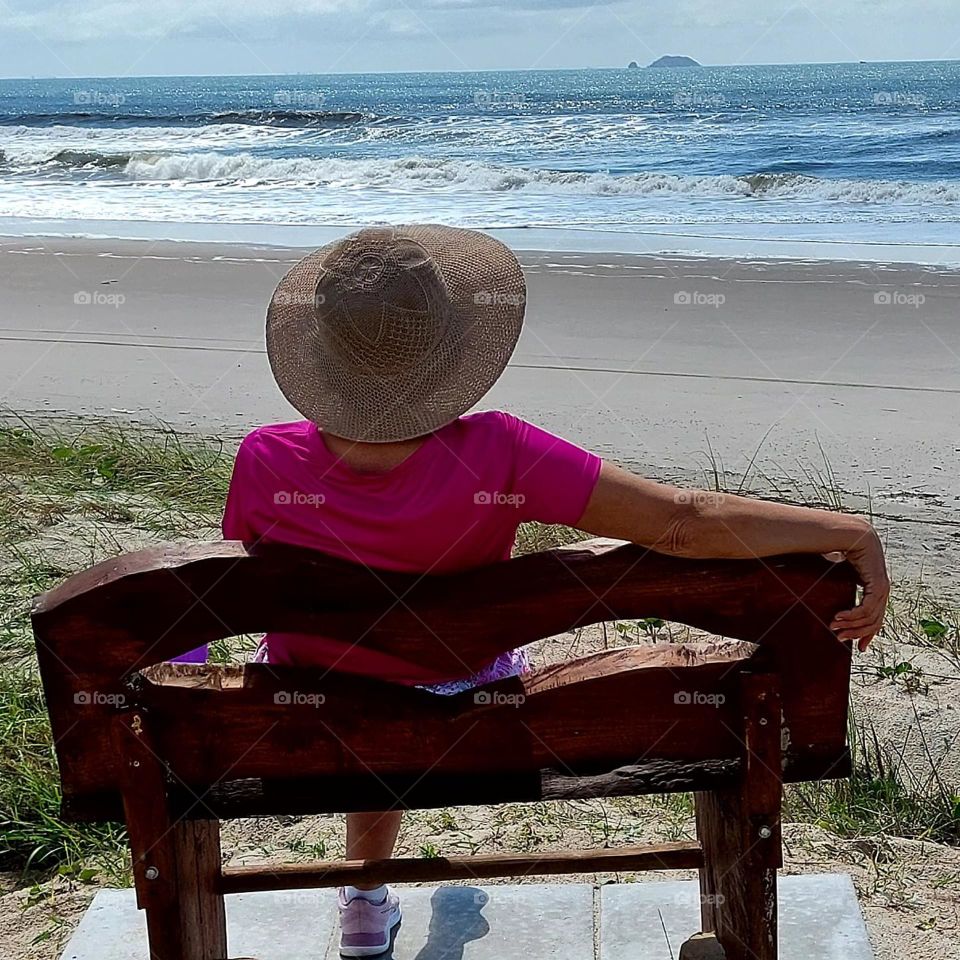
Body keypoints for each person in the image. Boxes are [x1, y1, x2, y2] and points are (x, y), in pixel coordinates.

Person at [216, 224, 889, 957]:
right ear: (447, 355)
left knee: (359, 679)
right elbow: (683, 524)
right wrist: (849, 531)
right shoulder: (502, 451)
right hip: (471, 712)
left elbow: (253, 577)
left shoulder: (264, 459)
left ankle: (364, 900)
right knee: (414, 681)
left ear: (322, 354)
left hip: (311, 718)